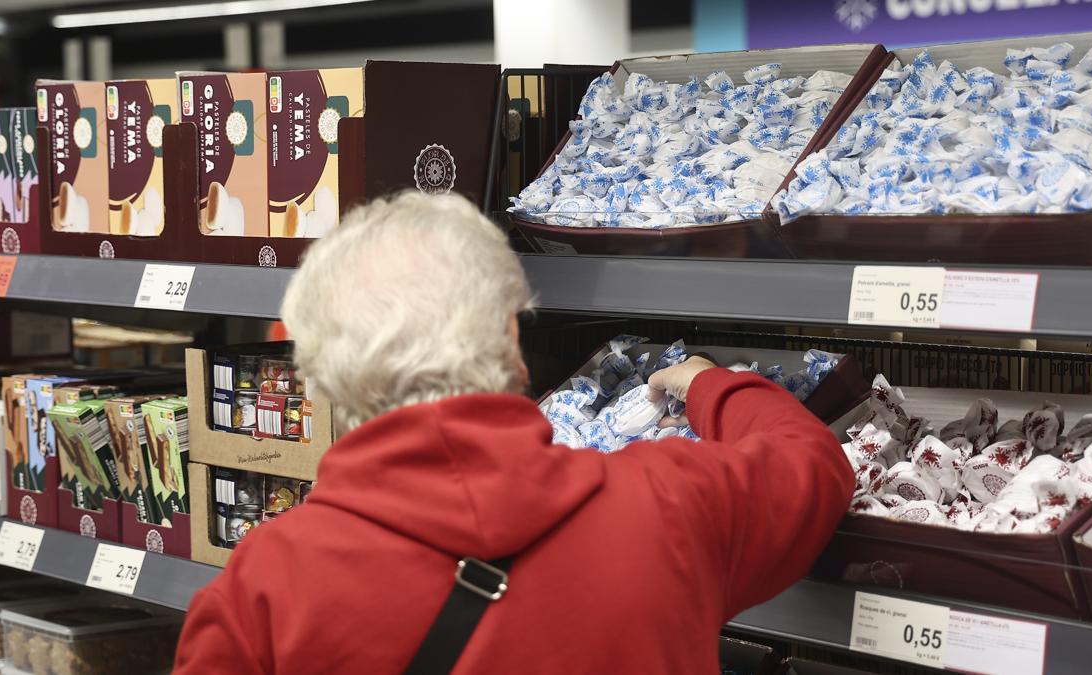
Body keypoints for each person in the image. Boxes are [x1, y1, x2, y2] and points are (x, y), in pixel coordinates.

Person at [174, 191, 854, 674]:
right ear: (510, 338)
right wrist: (706, 381)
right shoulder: (667, 507)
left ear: (320, 374)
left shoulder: (265, 591)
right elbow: (811, 463)